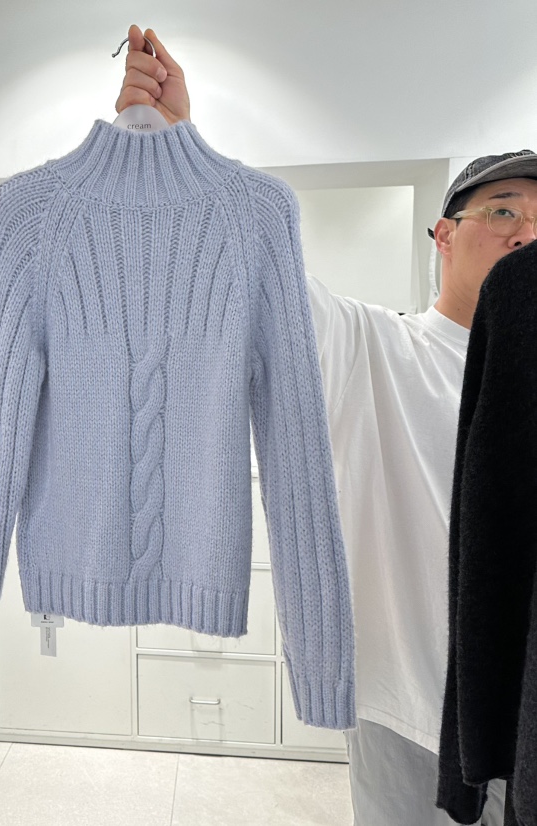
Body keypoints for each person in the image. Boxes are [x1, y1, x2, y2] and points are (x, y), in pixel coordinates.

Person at [115, 23, 537, 826]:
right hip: (415, 722)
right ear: (445, 238)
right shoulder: (380, 351)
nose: (525, 232)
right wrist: (171, 151)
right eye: (503, 210)